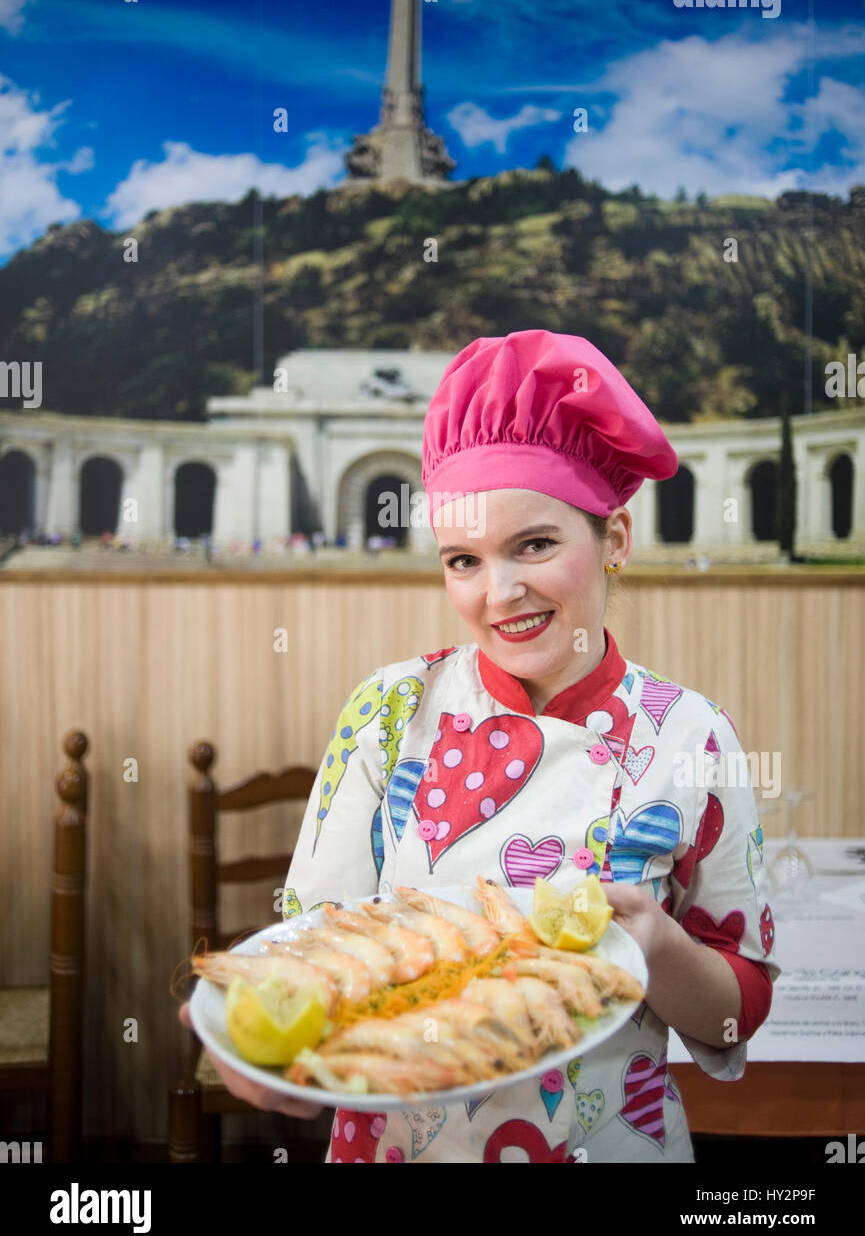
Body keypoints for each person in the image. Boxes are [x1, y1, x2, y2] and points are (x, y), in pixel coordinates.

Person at [180, 329, 780, 1162]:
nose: (501, 593)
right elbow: (309, 946)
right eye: (464, 560)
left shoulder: (691, 735)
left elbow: (734, 1012)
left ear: (613, 543)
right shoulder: (388, 710)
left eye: (535, 544)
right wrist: (260, 1044)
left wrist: (657, 943)